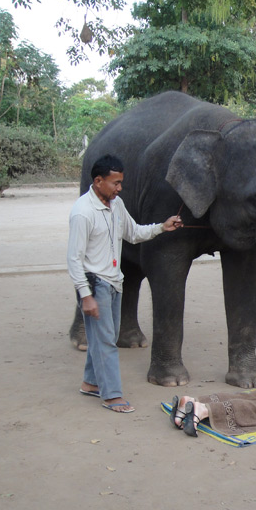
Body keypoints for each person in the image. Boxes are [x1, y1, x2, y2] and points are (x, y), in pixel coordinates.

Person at [67, 154, 183, 413]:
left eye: (120, 183)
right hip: (95, 284)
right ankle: (111, 395)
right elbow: (74, 259)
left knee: (102, 337)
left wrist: (162, 228)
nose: (119, 188)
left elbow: (133, 233)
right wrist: (86, 296)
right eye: (115, 183)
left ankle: (90, 383)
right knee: (107, 340)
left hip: (114, 282)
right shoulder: (82, 213)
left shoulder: (116, 205)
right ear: (98, 181)